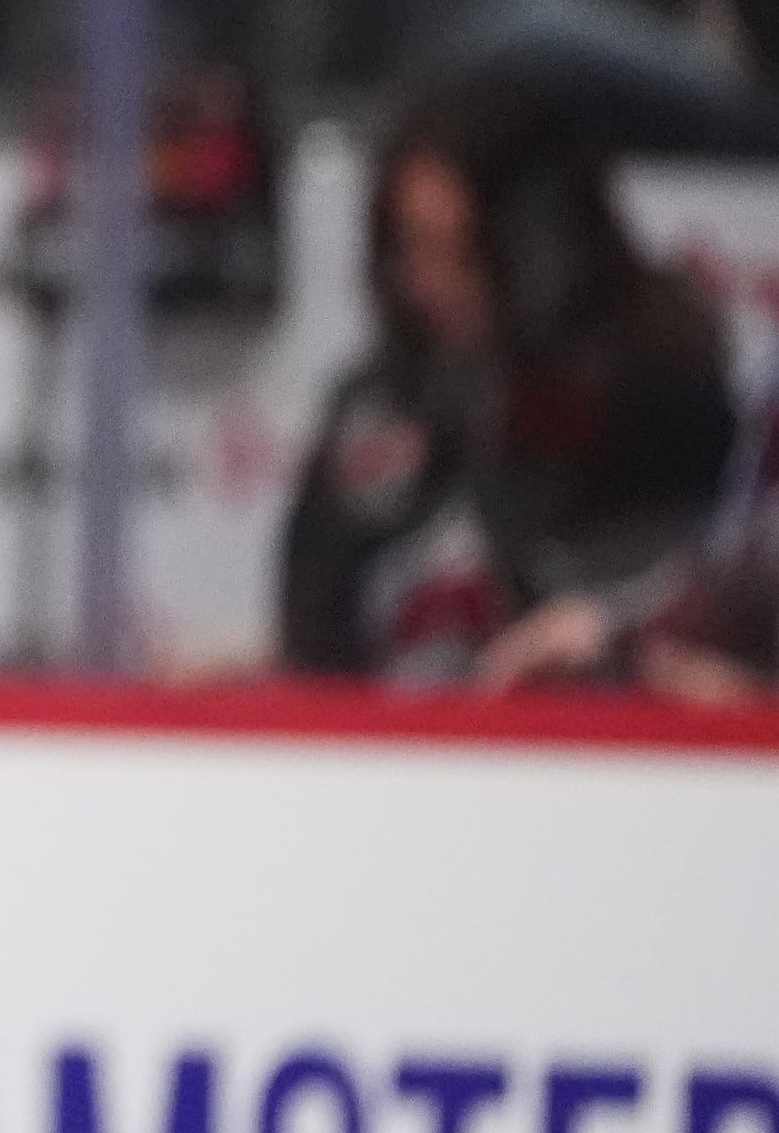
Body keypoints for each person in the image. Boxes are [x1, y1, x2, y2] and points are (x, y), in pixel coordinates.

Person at [277, 80, 739, 687]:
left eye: (463, 252)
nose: (430, 282)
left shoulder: (657, 385)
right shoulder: (385, 402)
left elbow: (701, 592)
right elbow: (316, 617)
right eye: (409, 246)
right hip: (397, 749)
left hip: (603, 740)